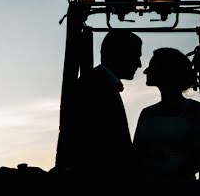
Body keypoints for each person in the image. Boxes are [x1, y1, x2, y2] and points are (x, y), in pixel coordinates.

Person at [55, 29, 143, 183]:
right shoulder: (94, 86)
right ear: (120, 54)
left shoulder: (97, 82)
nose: (139, 64)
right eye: (136, 56)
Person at [133, 48, 200, 184]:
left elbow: (198, 159)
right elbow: (136, 158)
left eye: (152, 67)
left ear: (166, 71)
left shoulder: (197, 112)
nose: (145, 71)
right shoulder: (146, 113)